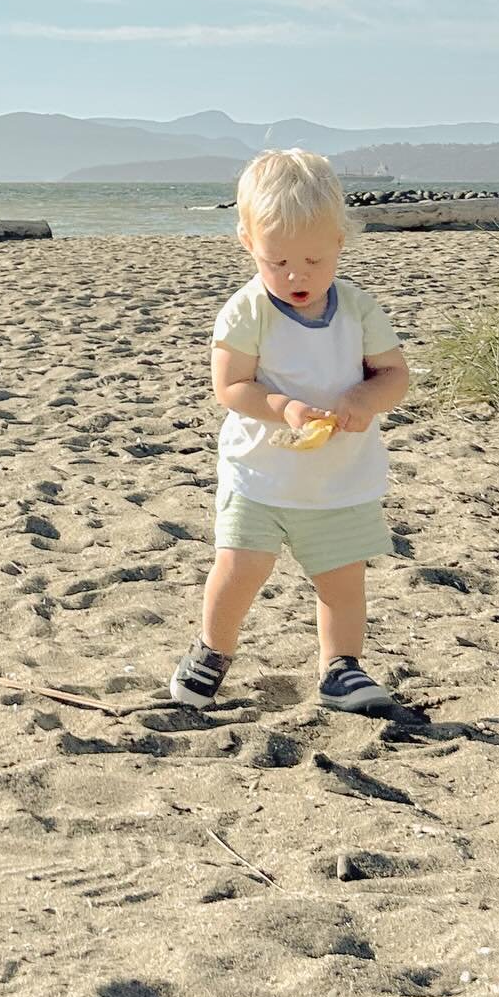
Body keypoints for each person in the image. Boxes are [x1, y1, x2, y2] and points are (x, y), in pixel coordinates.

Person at [169, 148, 410, 714]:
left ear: (340, 244)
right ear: (248, 243)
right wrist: (286, 408)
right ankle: (212, 649)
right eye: (278, 262)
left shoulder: (358, 309)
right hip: (260, 470)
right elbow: (231, 386)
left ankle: (341, 668)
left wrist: (363, 397)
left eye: (314, 260)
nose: (297, 275)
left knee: (342, 578)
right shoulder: (246, 310)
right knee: (239, 568)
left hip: (337, 477)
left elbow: (394, 374)